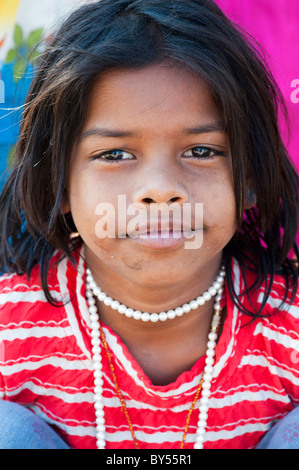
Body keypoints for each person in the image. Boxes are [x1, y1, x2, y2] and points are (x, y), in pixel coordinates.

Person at [0, 0, 298, 450]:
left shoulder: (289, 331)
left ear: (251, 179)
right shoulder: (9, 334)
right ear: (57, 185)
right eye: (114, 154)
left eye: (202, 150)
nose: (161, 189)